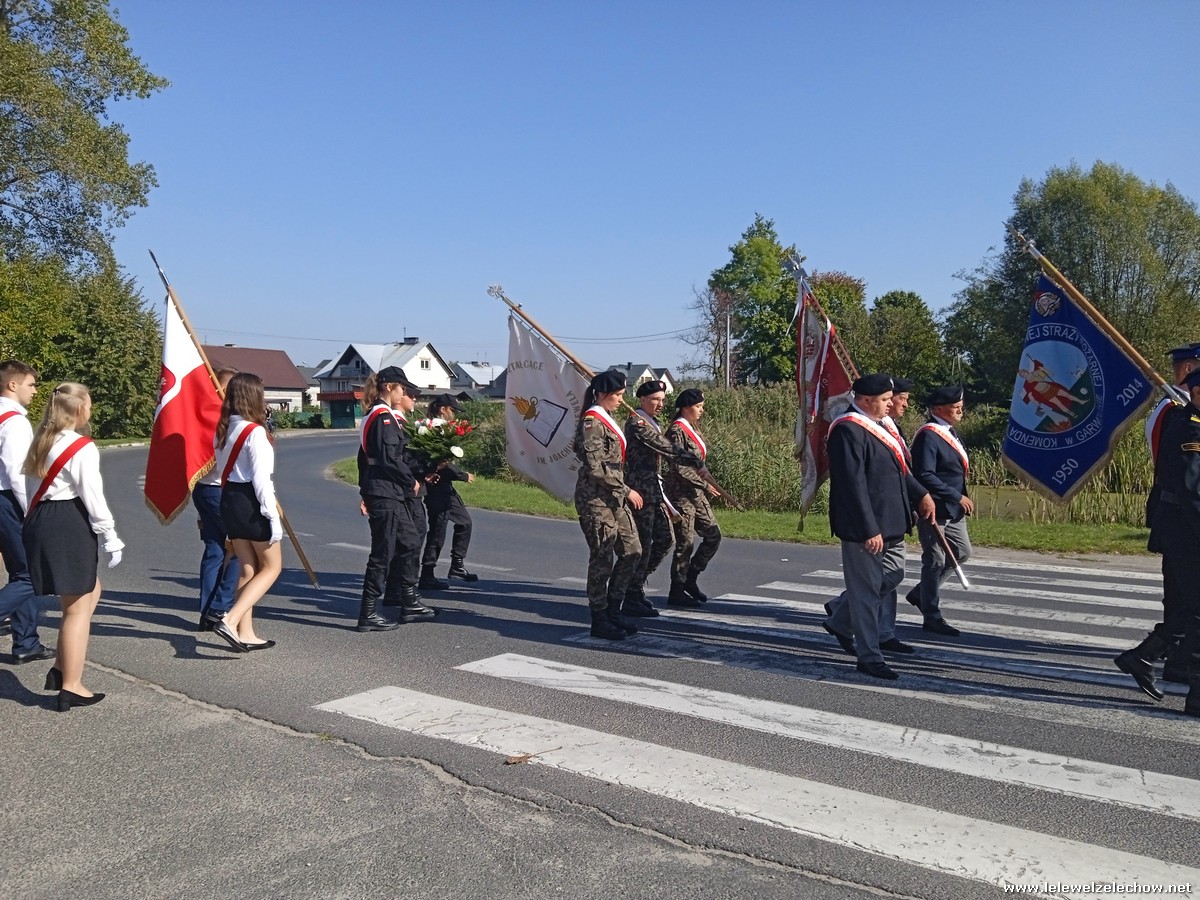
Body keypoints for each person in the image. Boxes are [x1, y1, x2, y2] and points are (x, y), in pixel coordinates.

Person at [822, 374, 934, 680]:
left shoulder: (881, 426)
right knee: (866, 592)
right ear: (866, 400)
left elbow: (900, 471)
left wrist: (921, 494)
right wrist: (868, 528)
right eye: (885, 399)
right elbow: (852, 484)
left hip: (893, 521)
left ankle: (840, 619)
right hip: (866, 526)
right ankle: (869, 656)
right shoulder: (848, 430)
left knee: (893, 575)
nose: (890, 404)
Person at [23, 382, 123, 710]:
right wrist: (110, 534)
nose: (91, 410)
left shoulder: (41, 440)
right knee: (78, 608)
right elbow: (92, 494)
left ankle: (60, 668)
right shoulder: (80, 446)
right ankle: (72, 686)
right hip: (67, 521)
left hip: (41, 519)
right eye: (89, 405)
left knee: (90, 590)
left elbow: (28, 488)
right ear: (79, 409)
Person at [1115, 367, 1200, 716]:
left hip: (1185, 530)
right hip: (1186, 531)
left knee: (1186, 609)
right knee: (1196, 612)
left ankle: (1143, 657)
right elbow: (1192, 490)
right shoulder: (1190, 427)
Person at [210, 373, 282, 652]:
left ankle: (246, 632)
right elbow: (261, 480)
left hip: (229, 499)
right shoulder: (255, 432)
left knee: (247, 567)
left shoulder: (224, 429)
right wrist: (273, 517)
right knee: (272, 567)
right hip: (251, 502)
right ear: (254, 397)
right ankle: (230, 620)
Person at [357, 366, 433, 630]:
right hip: (384, 491)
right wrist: (410, 480)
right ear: (389, 387)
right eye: (402, 387)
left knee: (410, 541)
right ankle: (368, 612)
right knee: (383, 552)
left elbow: (364, 459)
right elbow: (389, 458)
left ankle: (409, 600)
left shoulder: (378, 415)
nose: (404, 392)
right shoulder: (382, 417)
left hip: (386, 491)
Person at [1144, 342, 1200, 684]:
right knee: (1185, 599)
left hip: (1184, 517)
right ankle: (1175, 661)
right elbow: (1179, 476)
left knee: (1186, 599)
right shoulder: (1175, 412)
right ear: (1189, 371)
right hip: (1182, 518)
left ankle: (1155, 656)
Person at [575, 369, 643, 640]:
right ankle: (599, 618)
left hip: (613, 497)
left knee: (632, 551)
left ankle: (615, 610)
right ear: (603, 394)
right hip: (596, 499)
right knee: (602, 557)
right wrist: (626, 490)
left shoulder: (607, 418)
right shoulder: (592, 422)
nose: (621, 400)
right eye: (618, 395)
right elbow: (594, 468)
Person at [904, 385, 973, 638]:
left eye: (961, 406)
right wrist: (956, 496)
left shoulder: (949, 431)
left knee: (962, 552)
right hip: (934, 507)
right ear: (938, 409)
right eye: (955, 407)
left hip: (953, 509)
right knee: (935, 560)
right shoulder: (929, 435)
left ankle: (921, 593)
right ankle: (931, 615)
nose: (960, 411)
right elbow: (924, 474)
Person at [0, 360, 54, 666]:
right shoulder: (15, 421)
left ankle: (26, 642)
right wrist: (31, 508)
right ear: (12, 385)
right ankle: (25, 640)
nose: (35, 390)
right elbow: (17, 473)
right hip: (9, 500)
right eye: (31, 384)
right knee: (31, 575)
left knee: (20, 571)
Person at [622, 380, 684, 618]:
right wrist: (689, 458)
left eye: (662, 400)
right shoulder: (637, 423)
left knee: (665, 539)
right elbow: (660, 445)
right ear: (642, 400)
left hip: (654, 491)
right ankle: (631, 593)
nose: (660, 404)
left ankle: (634, 584)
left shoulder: (652, 422)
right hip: (640, 491)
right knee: (644, 544)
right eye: (655, 399)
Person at [193, 366, 240, 632]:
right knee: (240, 549)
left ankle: (206, 612)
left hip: (204, 489)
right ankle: (219, 608)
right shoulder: (221, 419)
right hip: (219, 490)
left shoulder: (205, 416)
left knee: (215, 551)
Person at [418, 393, 478, 590]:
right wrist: (462, 475)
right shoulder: (432, 428)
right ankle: (427, 574)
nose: (454, 414)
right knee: (438, 530)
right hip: (435, 488)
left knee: (464, 522)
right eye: (452, 410)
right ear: (443, 409)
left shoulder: (443, 428)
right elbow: (438, 461)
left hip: (445, 488)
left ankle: (457, 565)